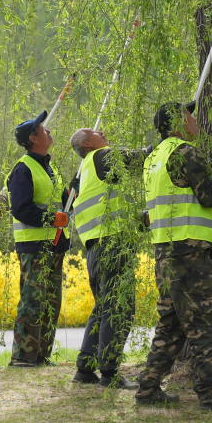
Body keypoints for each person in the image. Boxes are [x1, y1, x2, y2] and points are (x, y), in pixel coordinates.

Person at [134, 101, 212, 412]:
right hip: (188, 254)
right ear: (178, 121)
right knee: (206, 326)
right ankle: (211, 396)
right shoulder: (184, 152)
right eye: (189, 115)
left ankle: (147, 390)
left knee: (170, 325)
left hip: (165, 252)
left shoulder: (153, 158)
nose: (195, 120)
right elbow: (210, 195)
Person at [68, 127, 147, 389]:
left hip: (96, 248)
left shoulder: (86, 171)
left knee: (103, 308)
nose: (102, 132)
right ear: (89, 143)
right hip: (113, 243)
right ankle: (110, 372)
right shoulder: (103, 156)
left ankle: (85, 368)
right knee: (118, 308)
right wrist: (167, 143)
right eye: (95, 132)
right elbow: (140, 158)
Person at [6, 111, 71, 368]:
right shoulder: (23, 169)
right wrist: (51, 219)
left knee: (51, 302)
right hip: (34, 247)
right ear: (33, 138)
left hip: (54, 245)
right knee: (33, 300)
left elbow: (61, 203)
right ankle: (23, 357)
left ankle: (41, 355)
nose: (49, 131)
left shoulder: (50, 168)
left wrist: (71, 194)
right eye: (43, 129)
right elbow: (21, 209)